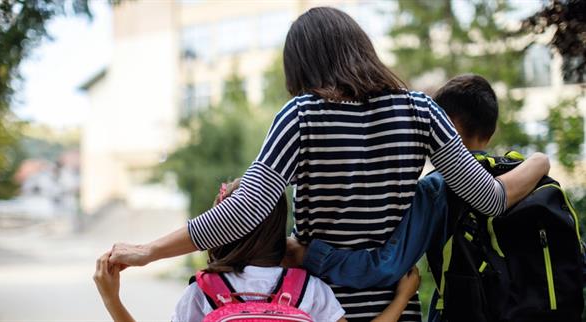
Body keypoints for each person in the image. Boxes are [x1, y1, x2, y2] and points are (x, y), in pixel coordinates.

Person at [108, 8, 550, 322]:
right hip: (398, 304)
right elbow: (491, 200)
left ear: (302, 65)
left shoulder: (301, 115)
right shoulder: (421, 111)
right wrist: (539, 160)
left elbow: (244, 211)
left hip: (316, 306)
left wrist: (148, 251)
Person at [281, 74, 505, 289]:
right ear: (491, 133)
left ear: (445, 126)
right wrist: (538, 163)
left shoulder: (436, 190)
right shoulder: (514, 174)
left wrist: (306, 255)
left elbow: (384, 266)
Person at [94, 179, 421, 322]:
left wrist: (112, 299)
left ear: (221, 231)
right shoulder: (309, 290)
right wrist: (402, 298)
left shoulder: (203, 293)